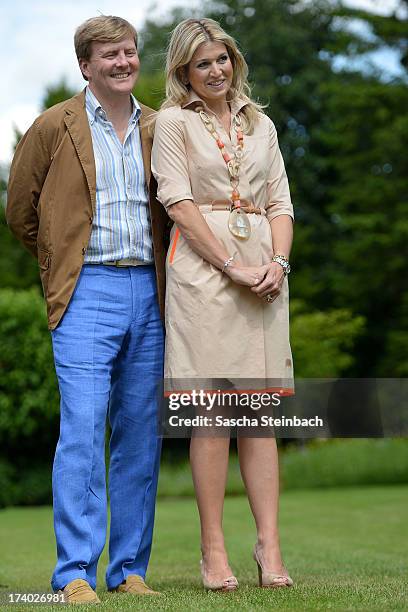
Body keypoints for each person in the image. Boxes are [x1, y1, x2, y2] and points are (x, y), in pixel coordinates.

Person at [7, 15, 167, 604]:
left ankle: (129, 571)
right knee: (80, 431)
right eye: (109, 55)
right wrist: (60, 265)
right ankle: (73, 572)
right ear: (86, 65)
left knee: (139, 437)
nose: (123, 62)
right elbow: (20, 212)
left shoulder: (161, 126)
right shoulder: (55, 126)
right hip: (85, 292)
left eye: (129, 52)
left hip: (151, 294)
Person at [152, 18, 294, 591]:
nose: (215, 71)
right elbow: (178, 202)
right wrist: (232, 266)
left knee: (259, 417)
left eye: (222, 59)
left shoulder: (263, 125)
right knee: (210, 415)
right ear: (184, 70)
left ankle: (270, 546)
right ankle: (213, 549)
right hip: (202, 276)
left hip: (264, 274)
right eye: (202, 63)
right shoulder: (171, 123)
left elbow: (282, 201)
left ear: (234, 61)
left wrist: (277, 264)